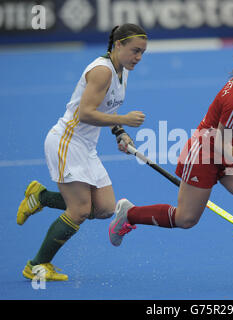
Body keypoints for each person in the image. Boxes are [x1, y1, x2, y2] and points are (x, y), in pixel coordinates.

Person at [109, 36, 233, 287]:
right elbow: (218, 143)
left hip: (226, 150)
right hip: (204, 153)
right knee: (186, 218)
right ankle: (128, 214)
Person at [18, 23, 147, 281]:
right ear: (117, 45)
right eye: (134, 51)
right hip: (66, 142)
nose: (138, 57)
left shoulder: (122, 70)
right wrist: (124, 118)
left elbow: (107, 109)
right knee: (78, 210)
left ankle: (41, 197)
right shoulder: (102, 71)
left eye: (142, 52)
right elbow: (86, 113)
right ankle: (37, 265)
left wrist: (119, 131)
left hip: (86, 147)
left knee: (105, 208)